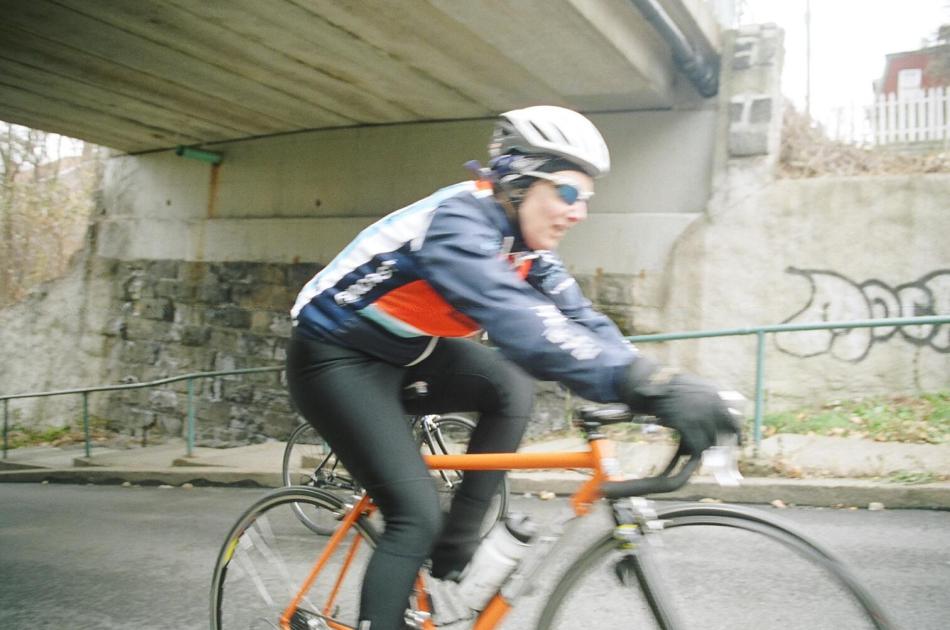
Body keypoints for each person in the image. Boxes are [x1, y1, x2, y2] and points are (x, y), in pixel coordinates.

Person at [286, 105, 741, 630]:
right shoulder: (457, 225)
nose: (578, 212)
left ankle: (453, 553)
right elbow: (521, 324)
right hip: (334, 358)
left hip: (410, 351)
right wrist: (646, 386)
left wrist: (656, 382)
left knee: (509, 387)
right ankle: (424, 549)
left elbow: (581, 320)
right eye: (566, 193)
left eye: (586, 199)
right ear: (520, 183)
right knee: (415, 516)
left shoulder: (525, 247)